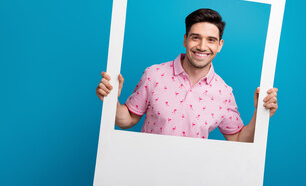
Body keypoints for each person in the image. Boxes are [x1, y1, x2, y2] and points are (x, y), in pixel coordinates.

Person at [96, 8, 278, 142]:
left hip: (194, 177)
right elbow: (127, 120)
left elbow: (238, 139)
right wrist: (111, 99)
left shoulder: (224, 93)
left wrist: (260, 114)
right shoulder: (154, 74)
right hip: (147, 173)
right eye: (195, 37)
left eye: (211, 40)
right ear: (185, 39)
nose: (202, 46)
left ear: (220, 45)